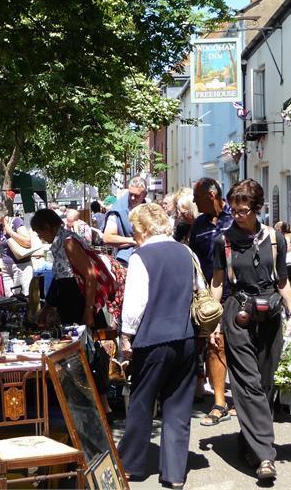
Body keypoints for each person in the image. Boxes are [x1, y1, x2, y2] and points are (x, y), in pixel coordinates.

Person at [210, 179, 291, 481]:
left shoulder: (275, 239)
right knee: (247, 384)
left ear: (257, 208)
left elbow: (283, 279)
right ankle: (265, 457)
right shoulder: (223, 241)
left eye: (243, 210)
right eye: (233, 210)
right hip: (238, 314)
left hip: (271, 312)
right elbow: (219, 282)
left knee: (264, 382)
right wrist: (212, 322)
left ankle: (248, 441)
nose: (237, 215)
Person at [117, 203, 197, 488]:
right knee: (178, 405)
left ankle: (131, 465)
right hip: (185, 337)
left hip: (153, 340)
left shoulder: (142, 256)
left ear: (144, 228)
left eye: (136, 230)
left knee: (141, 401)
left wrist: (126, 336)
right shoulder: (186, 252)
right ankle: (175, 474)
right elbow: (197, 289)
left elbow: (135, 305)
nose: (135, 236)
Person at [189, 177, 234, 427]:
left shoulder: (234, 219)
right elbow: (194, 258)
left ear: (212, 195)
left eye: (197, 198)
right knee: (214, 345)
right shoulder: (199, 224)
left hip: (235, 294)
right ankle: (219, 401)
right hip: (208, 296)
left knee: (236, 347)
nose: (195, 202)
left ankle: (238, 397)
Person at [103, 176, 148, 266]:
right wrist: (134, 240)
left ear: (144, 195)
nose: (132, 198)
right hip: (126, 261)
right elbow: (107, 237)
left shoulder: (147, 208)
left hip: (147, 257)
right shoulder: (118, 210)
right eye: (130, 194)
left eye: (136, 195)